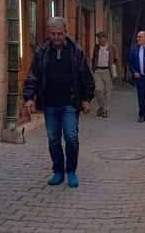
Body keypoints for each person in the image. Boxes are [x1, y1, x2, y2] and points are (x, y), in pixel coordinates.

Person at [23, 17, 95, 188]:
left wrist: (86, 99)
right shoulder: (41, 52)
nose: (56, 37)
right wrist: (28, 98)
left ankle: (71, 171)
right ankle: (58, 171)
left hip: (70, 103)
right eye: (53, 34)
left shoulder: (76, 51)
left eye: (59, 33)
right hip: (50, 104)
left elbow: (85, 76)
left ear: (65, 33)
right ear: (49, 34)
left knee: (71, 138)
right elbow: (33, 76)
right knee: (53, 139)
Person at [91, 31, 118, 118]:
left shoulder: (112, 47)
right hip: (98, 70)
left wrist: (116, 72)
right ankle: (101, 106)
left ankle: (105, 109)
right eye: (98, 38)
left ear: (105, 38)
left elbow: (116, 59)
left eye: (100, 38)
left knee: (108, 91)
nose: (98, 40)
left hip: (107, 70)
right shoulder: (96, 47)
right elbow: (93, 58)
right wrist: (93, 69)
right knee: (98, 89)